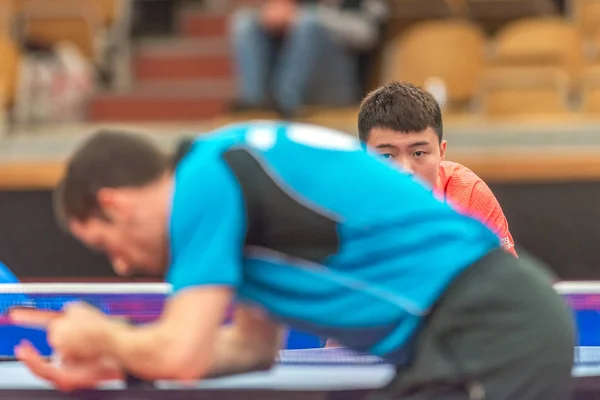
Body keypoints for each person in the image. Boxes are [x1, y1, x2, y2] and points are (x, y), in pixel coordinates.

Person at [12, 123, 575, 399]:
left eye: (108, 245)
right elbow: (252, 348)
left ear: (116, 203)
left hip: (490, 328)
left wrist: (104, 335)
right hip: (470, 334)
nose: (121, 267)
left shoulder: (206, 177)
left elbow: (181, 351)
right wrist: (126, 364)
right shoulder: (233, 184)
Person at [358, 81, 517, 257]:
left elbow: (506, 279)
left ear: (441, 153)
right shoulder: (339, 207)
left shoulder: (469, 194)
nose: (405, 170)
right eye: (387, 156)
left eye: (418, 153)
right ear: (363, 158)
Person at [230, 0, 387, 117]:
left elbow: (369, 35)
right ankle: (254, 105)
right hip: (282, 76)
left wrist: (311, 17)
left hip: (339, 85)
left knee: (308, 24)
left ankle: (284, 102)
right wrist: (273, 19)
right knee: (244, 22)